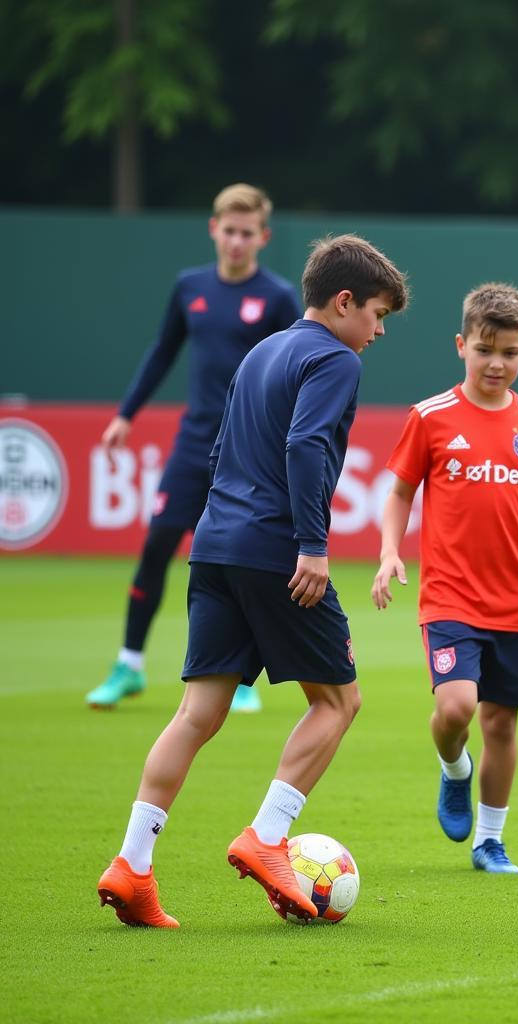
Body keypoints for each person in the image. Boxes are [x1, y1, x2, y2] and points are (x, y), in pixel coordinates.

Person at [96, 234, 408, 927]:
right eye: (377, 314)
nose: (378, 332)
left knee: (196, 714)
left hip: (214, 547)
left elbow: (217, 450)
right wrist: (312, 545)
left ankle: (133, 863)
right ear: (345, 302)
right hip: (277, 552)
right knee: (338, 701)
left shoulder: (260, 351)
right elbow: (304, 444)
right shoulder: (335, 358)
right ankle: (269, 837)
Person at [372, 283, 518, 874]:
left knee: (501, 721)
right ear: (461, 346)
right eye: (483, 350)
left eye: (508, 351)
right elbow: (399, 491)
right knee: (456, 710)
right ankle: (454, 768)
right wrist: (388, 552)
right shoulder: (429, 418)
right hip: (449, 594)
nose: (495, 363)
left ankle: (490, 840)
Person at [86, 183, 302, 715]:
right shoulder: (190, 287)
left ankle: (243, 677)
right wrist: (124, 415)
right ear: (213, 229)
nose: (235, 241)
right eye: (228, 231)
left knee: (244, 559)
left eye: (246, 234)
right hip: (192, 445)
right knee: (158, 545)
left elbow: (294, 368)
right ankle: (129, 664)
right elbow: (161, 353)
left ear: (263, 238)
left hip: (249, 451)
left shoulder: (276, 298)